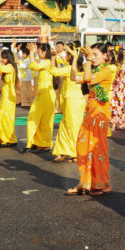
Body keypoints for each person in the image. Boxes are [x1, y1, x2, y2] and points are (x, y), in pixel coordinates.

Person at [67, 44, 117, 196]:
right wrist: (75, 59)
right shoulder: (93, 69)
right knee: (83, 146)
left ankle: (102, 184)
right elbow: (74, 78)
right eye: (92, 54)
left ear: (105, 56)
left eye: (96, 54)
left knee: (97, 149)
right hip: (90, 111)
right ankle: (85, 182)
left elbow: (88, 78)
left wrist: (88, 60)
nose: (93, 57)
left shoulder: (107, 70)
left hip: (101, 113)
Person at [23, 43, 70, 153]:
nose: (38, 53)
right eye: (38, 51)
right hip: (41, 93)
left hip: (47, 94)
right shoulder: (44, 62)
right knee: (38, 118)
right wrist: (32, 53)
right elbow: (34, 64)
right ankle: (38, 142)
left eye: (39, 51)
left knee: (43, 119)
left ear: (45, 52)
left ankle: (44, 143)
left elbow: (33, 66)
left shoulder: (48, 62)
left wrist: (31, 53)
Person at [52, 46, 87, 162]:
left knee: (72, 126)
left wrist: (53, 58)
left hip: (73, 100)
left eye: (67, 54)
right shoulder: (79, 69)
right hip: (72, 100)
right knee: (67, 125)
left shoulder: (70, 69)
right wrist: (54, 57)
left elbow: (53, 71)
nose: (65, 55)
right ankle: (66, 151)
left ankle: (75, 152)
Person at [0, 47, 18, 148]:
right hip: (5, 95)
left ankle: (7, 139)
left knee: (4, 117)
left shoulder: (9, 67)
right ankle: (5, 138)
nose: (1, 60)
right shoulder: (9, 67)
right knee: (2, 117)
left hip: (8, 96)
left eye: (3, 58)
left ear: (8, 58)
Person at [16, 44, 34, 108]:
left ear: (28, 55)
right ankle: (23, 102)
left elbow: (24, 66)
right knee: (23, 91)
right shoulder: (23, 60)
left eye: (24, 54)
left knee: (27, 91)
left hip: (27, 77)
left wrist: (18, 62)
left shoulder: (29, 60)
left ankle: (27, 103)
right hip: (23, 77)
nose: (23, 55)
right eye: (23, 54)